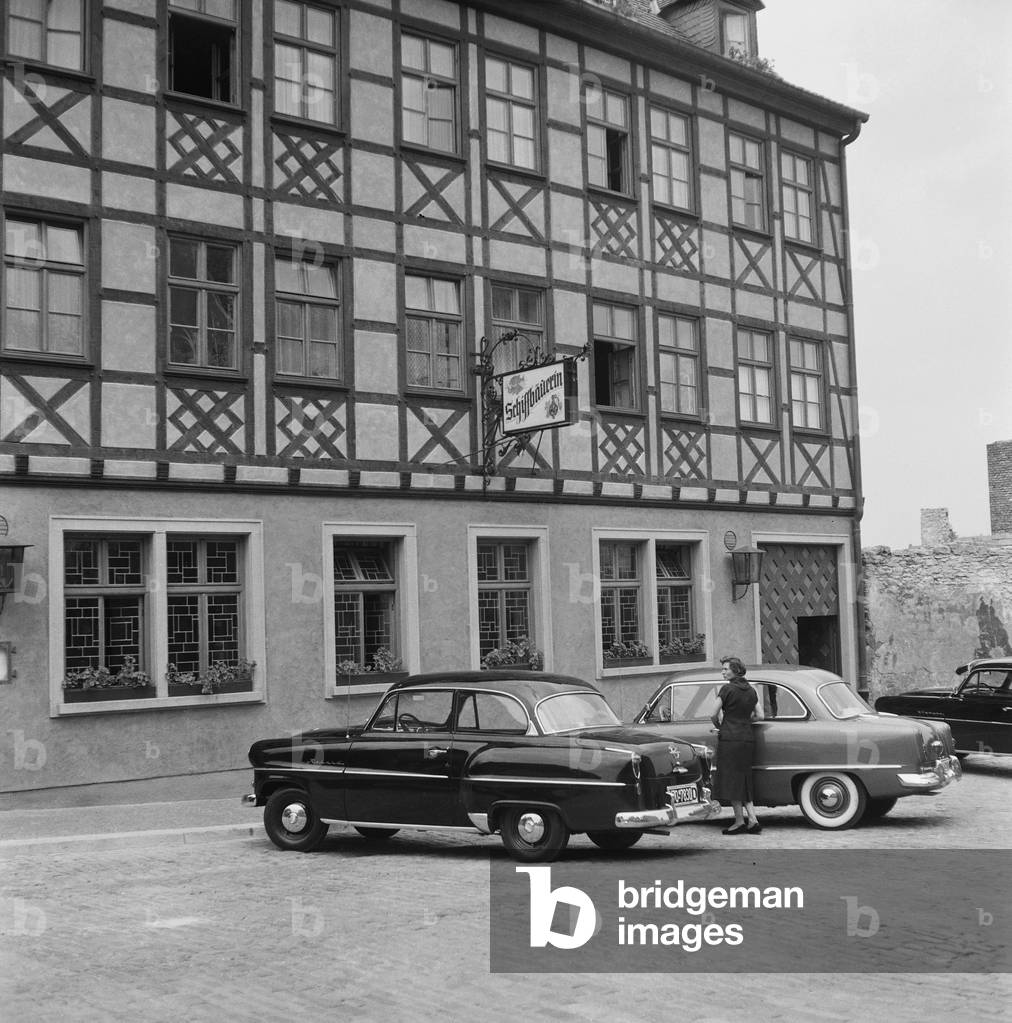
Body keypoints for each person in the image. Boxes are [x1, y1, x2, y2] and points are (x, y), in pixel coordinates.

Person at [710, 655, 763, 835]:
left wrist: (721, 725)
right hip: (747, 738)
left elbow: (713, 713)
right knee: (744, 778)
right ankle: (753, 819)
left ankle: (740, 821)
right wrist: (744, 721)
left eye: (726, 669)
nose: (723, 672)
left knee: (732, 780)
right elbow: (760, 716)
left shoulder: (726, 689)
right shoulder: (751, 690)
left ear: (736, 670)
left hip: (730, 739)